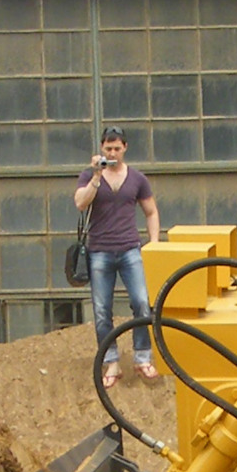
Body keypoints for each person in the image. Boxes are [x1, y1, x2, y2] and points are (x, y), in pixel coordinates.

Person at [74, 125, 162, 389]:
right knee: (102, 310)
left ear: (125, 148)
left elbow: (151, 211)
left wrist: (154, 243)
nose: (112, 153)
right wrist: (95, 176)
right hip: (99, 251)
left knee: (141, 302)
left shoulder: (137, 179)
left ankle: (142, 357)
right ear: (102, 148)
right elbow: (80, 203)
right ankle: (111, 361)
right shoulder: (90, 175)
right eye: (108, 148)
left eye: (116, 148)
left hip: (129, 249)